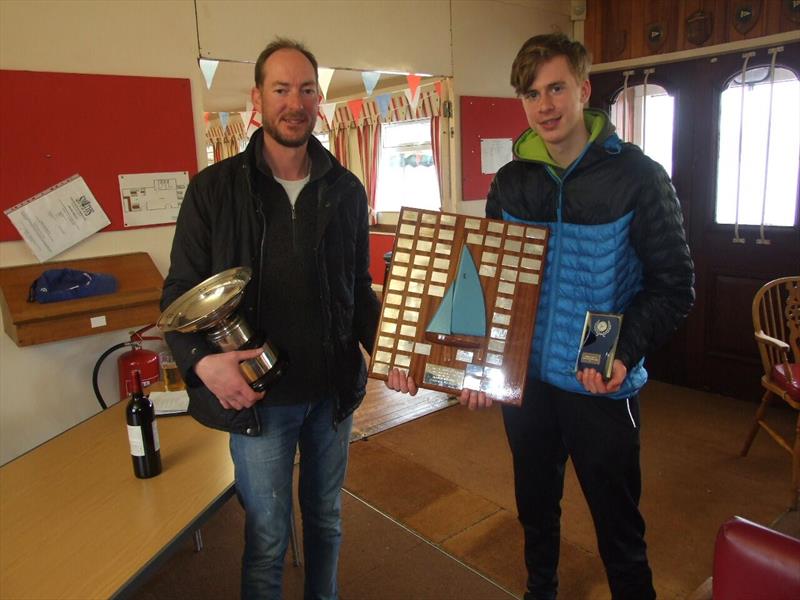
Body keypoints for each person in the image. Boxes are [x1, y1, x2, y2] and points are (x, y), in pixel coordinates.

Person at [387, 33, 694, 600]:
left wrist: (623, 351)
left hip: (600, 386)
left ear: (583, 88)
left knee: (618, 526)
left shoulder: (638, 178)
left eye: (556, 88)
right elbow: (490, 285)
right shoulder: (510, 182)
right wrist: (478, 368)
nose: (545, 105)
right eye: (531, 93)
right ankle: (540, 592)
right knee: (534, 511)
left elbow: (674, 286)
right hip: (527, 386)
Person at [161, 38, 382, 600]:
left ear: (318, 100)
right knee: (265, 536)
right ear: (257, 99)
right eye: (281, 89)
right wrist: (203, 366)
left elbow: (357, 289)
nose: (295, 102)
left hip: (332, 394)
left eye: (307, 89)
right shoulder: (213, 190)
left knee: (327, 520)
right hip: (259, 405)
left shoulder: (346, 190)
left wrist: (395, 348)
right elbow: (179, 295)